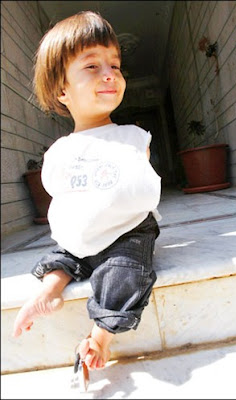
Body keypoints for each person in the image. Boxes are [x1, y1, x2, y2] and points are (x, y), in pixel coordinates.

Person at [12, 11, 161, 372]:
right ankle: (49, 291)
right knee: (64, 254)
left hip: (128, 230)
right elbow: (60, 192)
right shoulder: (60, 150)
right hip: (85, 234)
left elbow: (139, 185)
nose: (109, 73)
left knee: (125, 272)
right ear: (62, 90)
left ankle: (99, 337)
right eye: (91, 67)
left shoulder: (133, 136)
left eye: (115, 64)